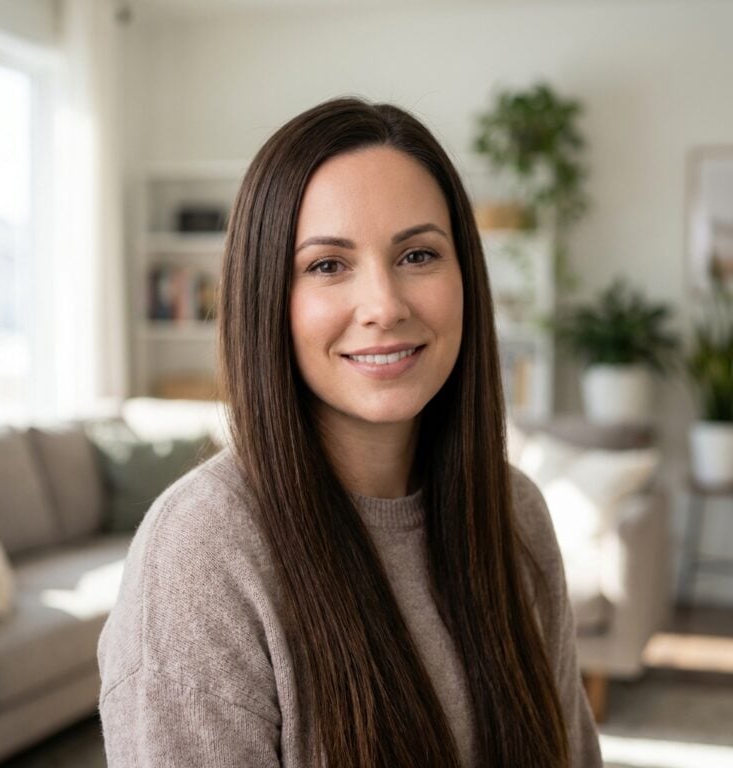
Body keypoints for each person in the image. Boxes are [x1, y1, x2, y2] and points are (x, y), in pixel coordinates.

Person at [97, 97, 603, 767]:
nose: (385, 306)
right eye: (328, 265)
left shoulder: (514, 513)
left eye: (419, 255)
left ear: (467, 279)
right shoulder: (201, 552)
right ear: (266, 298)